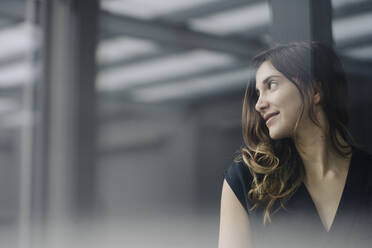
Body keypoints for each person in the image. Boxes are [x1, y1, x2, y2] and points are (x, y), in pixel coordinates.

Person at [218, 42, 372, 248]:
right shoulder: (246, 180)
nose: (259, 104)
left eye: (271, 85)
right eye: (258, 93)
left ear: (315, 90)